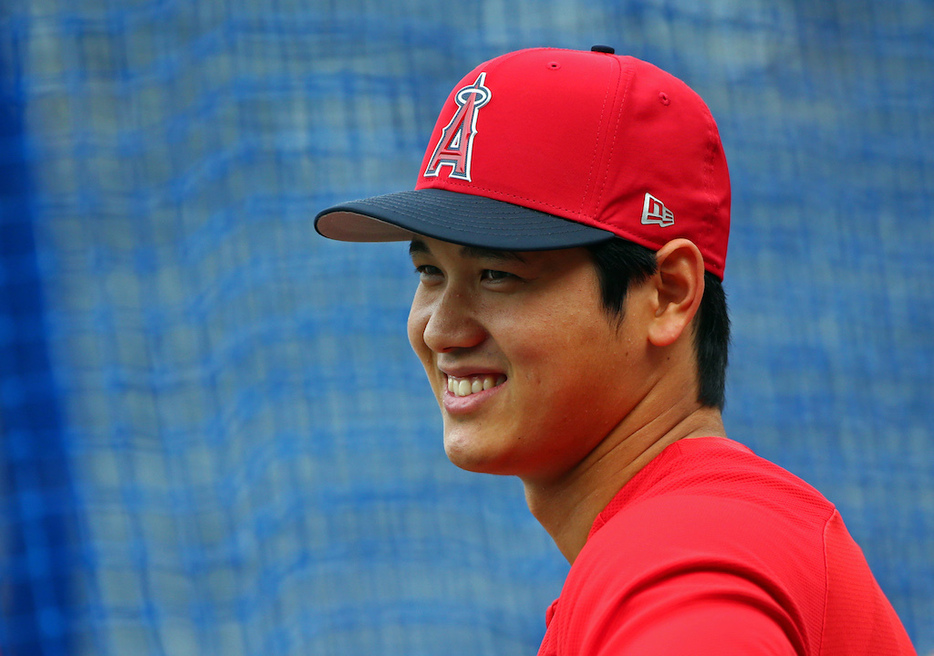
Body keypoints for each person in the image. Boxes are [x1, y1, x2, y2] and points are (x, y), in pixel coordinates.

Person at [314, 46, 916, 655]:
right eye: (430, 272)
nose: (441, 330)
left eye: (497, 274)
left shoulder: (681, 568)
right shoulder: (694, 535)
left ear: (668, 293)